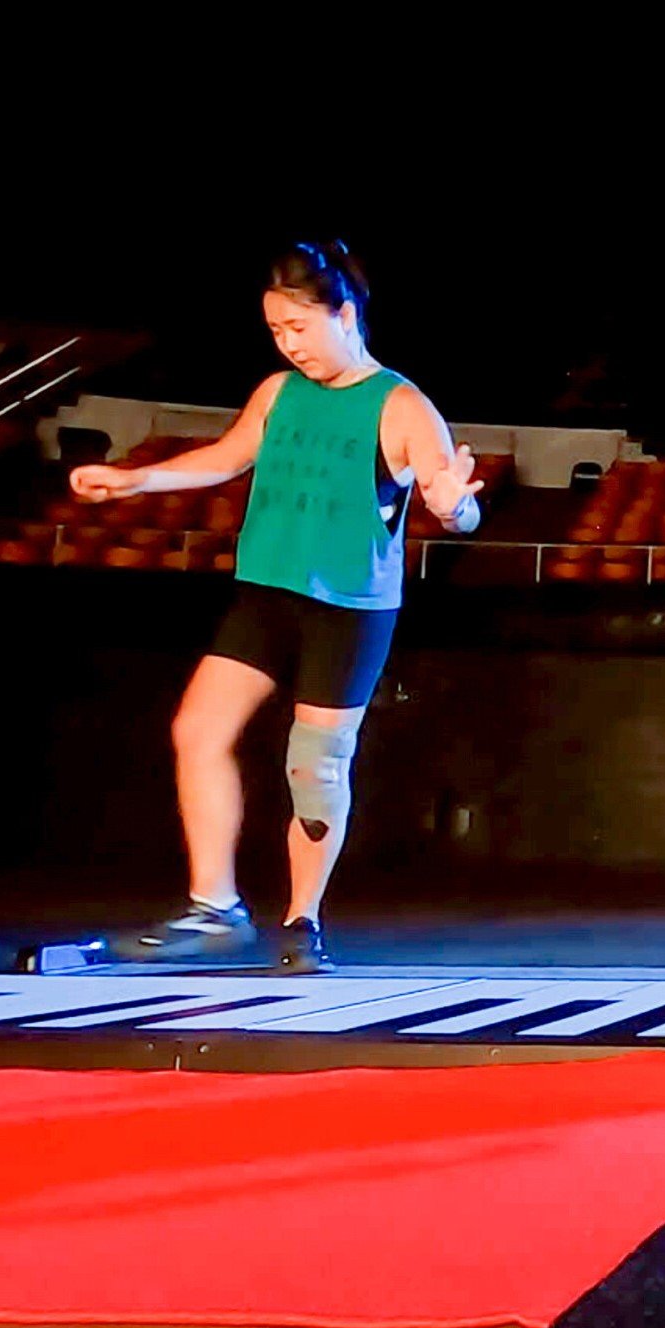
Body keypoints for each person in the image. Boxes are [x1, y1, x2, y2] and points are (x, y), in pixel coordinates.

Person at [68, 241, 484, 970]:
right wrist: (135, 482)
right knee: (198, 729)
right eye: (275, 333)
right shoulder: (276, 393)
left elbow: (454, 502)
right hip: (268, 590)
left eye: (299, 328)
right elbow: (227, 457)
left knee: (315, 765)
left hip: (348, 609)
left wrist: (453, 510)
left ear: (345, 314)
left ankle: (301, 922)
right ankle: (214, 907)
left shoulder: (401, 404)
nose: (289, 345)